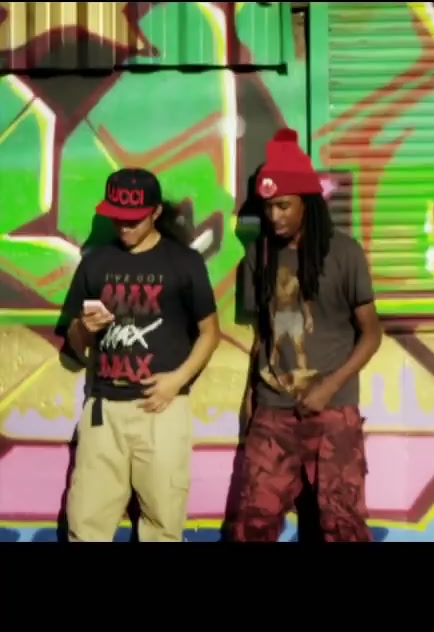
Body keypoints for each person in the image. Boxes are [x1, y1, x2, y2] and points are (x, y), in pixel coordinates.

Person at [227, 128, 381, 543]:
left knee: (342, 526)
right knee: (251, 524)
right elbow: (262, 335)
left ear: (306, 203)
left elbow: (371, 335)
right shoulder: (258, 256)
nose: (274, 216)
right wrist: (250, 399)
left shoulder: (344, 253)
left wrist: (328, 387)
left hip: (333, 411)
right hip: (273, 411)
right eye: (268, 207)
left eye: (283, 206)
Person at [56, 168, 221, 542]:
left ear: (156, 212)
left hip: (161, 410)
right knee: (85, 526)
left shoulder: (184, 262)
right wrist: (85, 328)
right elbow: (73, 342)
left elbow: (211, 333)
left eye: (134, 219)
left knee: (162, 526)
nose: (125, 226)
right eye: (118, 218)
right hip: (104, 410)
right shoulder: (95, 263)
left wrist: (176, 381)